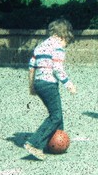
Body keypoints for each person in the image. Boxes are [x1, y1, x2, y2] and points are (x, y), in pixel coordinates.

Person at [24, 18, 77, 160]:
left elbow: (31, 67)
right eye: (66, 41)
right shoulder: (57, 47)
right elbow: (57, 69)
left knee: (56, 113)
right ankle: (34, 143)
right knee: (55, 116)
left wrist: (31, 86)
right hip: (49, 84)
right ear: (63, 36)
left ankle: (56, 142)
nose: (65, 45)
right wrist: (68, 84)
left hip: (39, 83)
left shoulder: (40, 46)